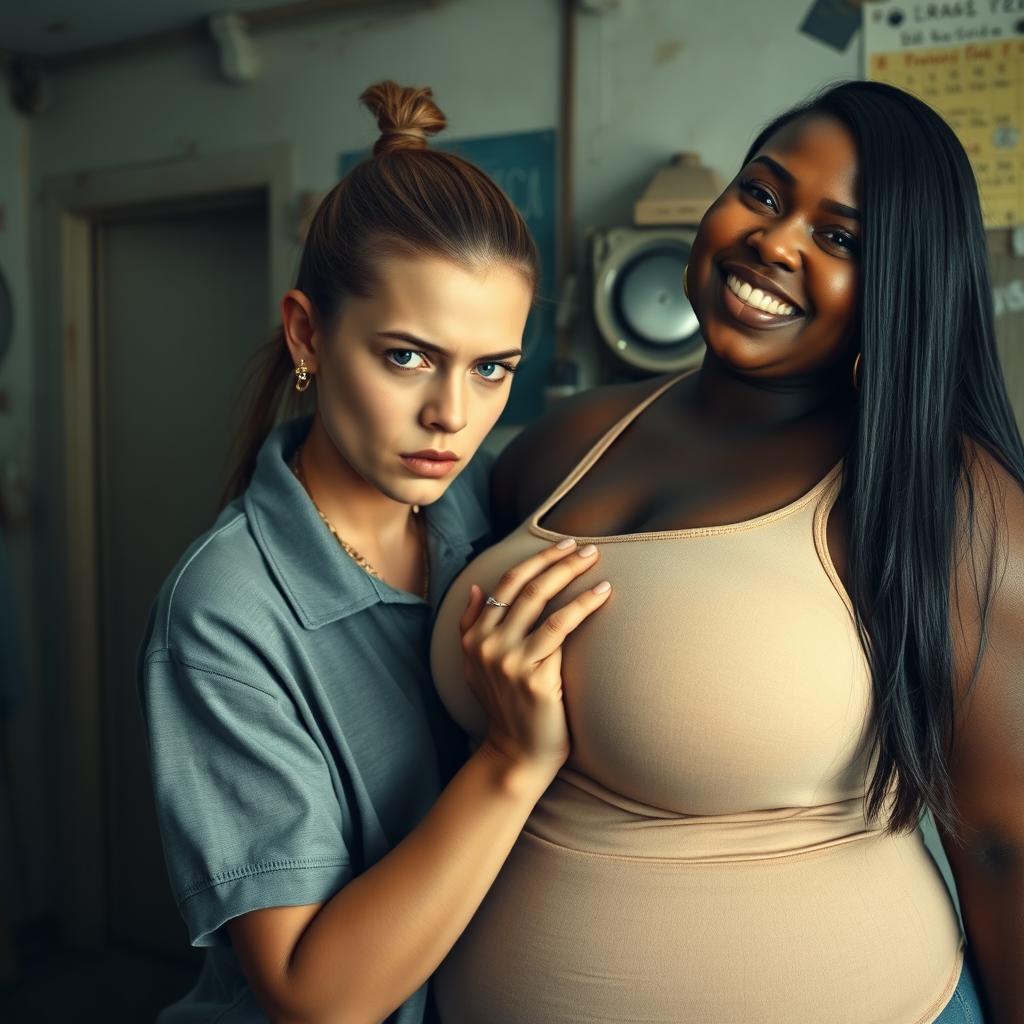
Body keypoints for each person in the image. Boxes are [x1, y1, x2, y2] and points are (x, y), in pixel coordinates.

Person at [429, 80, 1023, 1023]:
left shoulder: (941, 495)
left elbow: (1003, 842)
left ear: (899, 283)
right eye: (764, 192)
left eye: (840, 238)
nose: (775, 241)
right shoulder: (557, 442)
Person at [137, 81, 610, 1024]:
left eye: (491, 368)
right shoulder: (226, 609)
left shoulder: (494, 503)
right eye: (407, 357)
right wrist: (513, 760)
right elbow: (316, 998)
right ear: (308, 332)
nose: (453, 414)